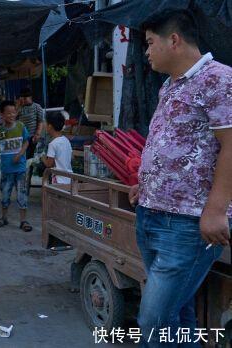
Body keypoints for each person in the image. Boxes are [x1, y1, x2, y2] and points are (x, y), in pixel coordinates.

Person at [128, 9, 231, 347]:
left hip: (187, 224)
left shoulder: (219, 79)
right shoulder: (169, 87)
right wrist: (146, 182)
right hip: (152, 214)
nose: (146, 51)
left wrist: (216, 210)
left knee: (153, 321)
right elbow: (170, 142)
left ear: (173, 40)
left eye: (149, 43)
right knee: (176, 313)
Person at [0, 100, 32, 232]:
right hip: (6, 170)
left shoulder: (21, 127)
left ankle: (23, 220)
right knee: (5, 194)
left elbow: (26, 142)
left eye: (13, 112)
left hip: (20, 169)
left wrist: (20, 154)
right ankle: (4, 217)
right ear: (2, 114)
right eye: (8, 113)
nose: (11, 115)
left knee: (22, 195)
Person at [41, 111, 72, 184]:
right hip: (69, 179)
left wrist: (43, 158)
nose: (44, 125)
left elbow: (49, 164)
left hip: (58, 180)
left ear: (50, 126)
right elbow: (71, 157)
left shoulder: (52, 144)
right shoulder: (66, 140)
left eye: (45, 122)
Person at [18, 87, 44, 159]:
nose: (24, 100)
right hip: (22, 137)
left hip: (33, 136)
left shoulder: (37, 107)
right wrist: (18, 105)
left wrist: (38, 134)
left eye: (26, 98)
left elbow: (40, 121)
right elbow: (13, 119)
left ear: (30, 97)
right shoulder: (20, 108)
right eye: (22, 98)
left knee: (31, 157)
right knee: (23, 157)